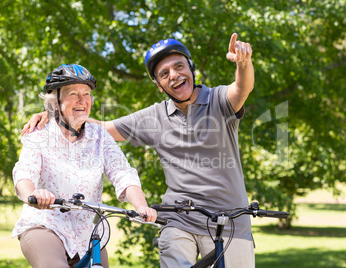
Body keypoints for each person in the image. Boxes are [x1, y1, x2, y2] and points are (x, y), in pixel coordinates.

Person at [22, 33, 255, 268]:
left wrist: (243, 63)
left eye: (179, 66)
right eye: (164, 74)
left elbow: (241, 89)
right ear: (158, 85)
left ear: (191, 68)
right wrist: (55, 114)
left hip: (231, 221)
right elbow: (103, 128)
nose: (173, 76)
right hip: (179, 221)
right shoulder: (154, 116)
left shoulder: (218, 100)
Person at [12, 64, 157, 268]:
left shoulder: (100, 137)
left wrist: (141, 205)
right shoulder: (39, 134)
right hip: (44, 225)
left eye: (86, 94)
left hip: (87, 233)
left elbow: (123, 173)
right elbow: (24, 172)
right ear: (56, 102)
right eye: (73, 93)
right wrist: (33, 194)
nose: (82, 100)